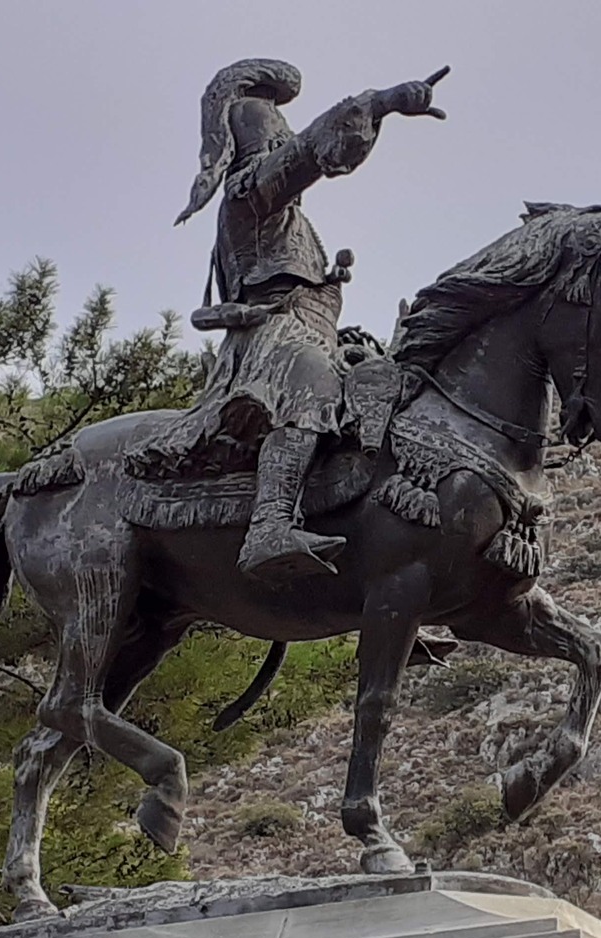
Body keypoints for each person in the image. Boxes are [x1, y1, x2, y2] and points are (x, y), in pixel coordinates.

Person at [128, 57, 448, 581]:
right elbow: (307, 157)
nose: (287, 147)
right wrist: (379, 102)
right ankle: (270, 525)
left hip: (312, 333)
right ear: (260, 144)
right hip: (271, 341)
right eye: (279, 140)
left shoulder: (294, 221)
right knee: (313, 393)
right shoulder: (248, 194)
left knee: (386, 386)